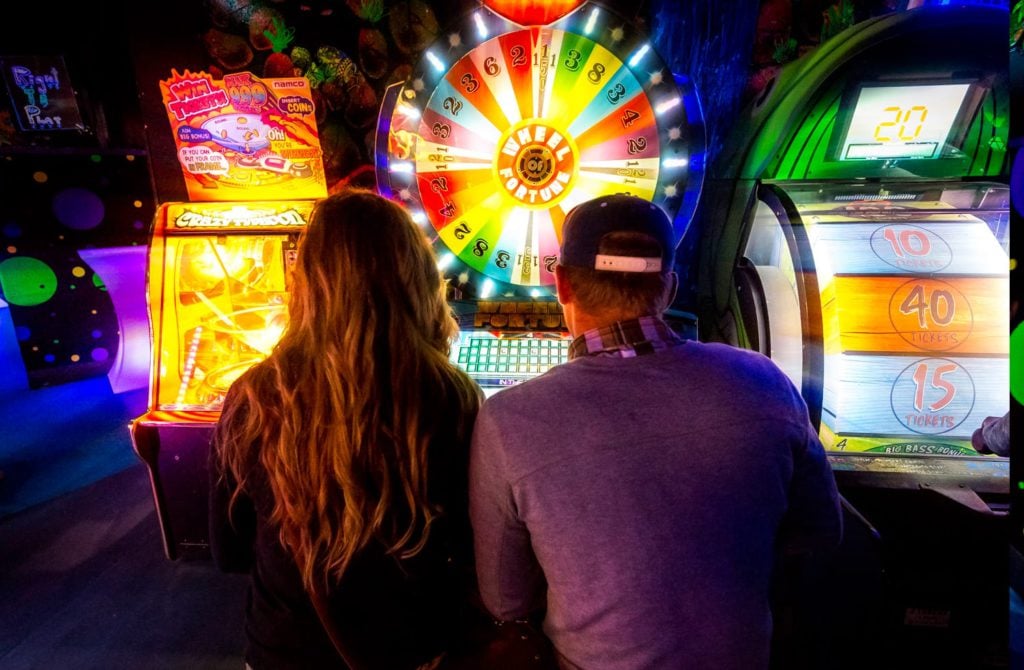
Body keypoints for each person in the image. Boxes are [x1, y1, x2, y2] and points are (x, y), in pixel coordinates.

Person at [469, 194, 843, 670]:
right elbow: (821, 534)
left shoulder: (509, 419)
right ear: (669, 287)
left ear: (561, 283)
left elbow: (506, 600)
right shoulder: (765, 380)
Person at [209, 190, 480, 670]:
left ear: (308, 282)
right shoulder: (454, 397)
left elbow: (228, 550)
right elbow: (471, 545)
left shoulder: (253, 397)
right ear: (418, 278)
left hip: (285, 648)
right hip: (414, 648)